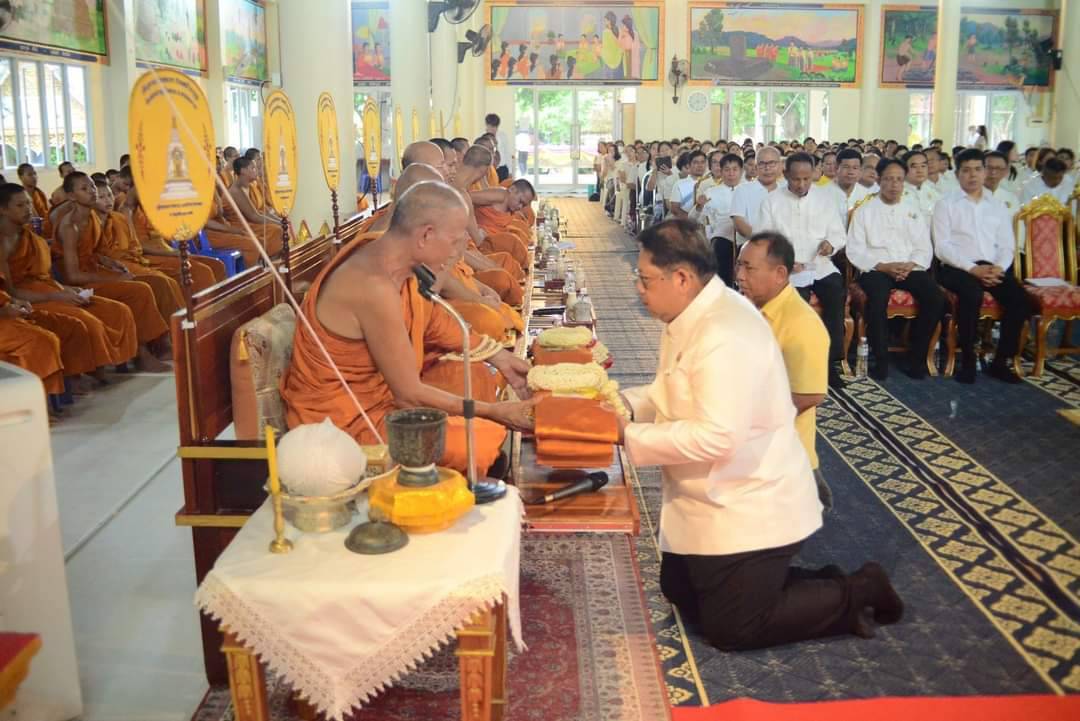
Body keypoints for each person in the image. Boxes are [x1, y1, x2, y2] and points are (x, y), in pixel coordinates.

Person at [618, 218, 902, 651]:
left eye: (644, 278)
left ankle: (858, 590)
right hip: (713, 492)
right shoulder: (690, 314)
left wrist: (627, 436)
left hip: (752, 495)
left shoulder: (725, 331)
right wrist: (625, 406)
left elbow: (717, 438)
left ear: (681, 278)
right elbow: (671, 389)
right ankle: (791, 584)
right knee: (681, 592)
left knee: (733, 628)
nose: (638, 288)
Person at [280, 180, 535, 476]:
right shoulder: (372, 285)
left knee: (481, 417)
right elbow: (409, 395)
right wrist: (494, 411)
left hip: (384, 404)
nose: (459, 251)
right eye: (455, 241)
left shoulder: (397, 265)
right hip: (344, 425)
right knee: (478, 445)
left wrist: (502, 359)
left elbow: (436, 322)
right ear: (426, 235)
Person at [736, 231, 833, 511]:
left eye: (749, 268)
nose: (740, 275)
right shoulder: (750, 308)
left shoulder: (801, 324)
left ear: (780, 274)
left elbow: (808, 396)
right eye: (739, 265)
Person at [53, 172, 171, 371]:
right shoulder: (69, 226)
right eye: (84, 189)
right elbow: (73, 276)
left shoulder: (91, 218)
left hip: (93, 270)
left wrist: (111, 264)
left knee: (140, 284)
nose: (92, 192)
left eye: (92, 186)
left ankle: (158, 344)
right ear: (71, 196)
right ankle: (141, 354)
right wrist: (115, 277)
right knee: (138, 290)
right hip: (80, 282)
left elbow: (94, 252)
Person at [934, 149, 1032, 384]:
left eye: (978, 169)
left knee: (1021, 300)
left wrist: (999, 268)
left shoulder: (997, 205)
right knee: (971, 295)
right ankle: (967, 360)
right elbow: (942, 247)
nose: (973, 175)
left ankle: (1000, 362)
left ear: (985, 172)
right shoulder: (945, 204)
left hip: (991, 266)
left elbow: (1007, 245)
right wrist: (971, 269)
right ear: (957, 174)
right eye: (966, 170)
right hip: (955, 267)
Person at [847, 158, 944, 380]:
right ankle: (881, 360)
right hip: (876, 269)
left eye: (899, 180)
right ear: (879, 180)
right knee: (877, 298)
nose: (894, 185)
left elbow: (923, 247)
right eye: (889, 179)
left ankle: (917, 359)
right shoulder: (864, 211)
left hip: (909, 267)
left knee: (935, 298)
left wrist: (910, 265)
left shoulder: (914, 210)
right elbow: (855, 249)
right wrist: (883, 266)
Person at [758, 153, 848, 388]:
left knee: (835, 292)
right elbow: (764, 240)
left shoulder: (824, 200)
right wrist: (785, 262)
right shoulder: (771, 202)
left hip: (819, 264)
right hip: (786, 269)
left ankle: (829, 364)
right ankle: (794, 365)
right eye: (796, 179)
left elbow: (838, 234)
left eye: (807, 179)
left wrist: (830, 245)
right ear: (785, 174)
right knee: (797, 305)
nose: (801, 185)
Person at [222, 156, 285, 267]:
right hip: (239, 225)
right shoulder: (236, 190)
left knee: (277, 228)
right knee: (276, 230)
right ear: (243, 171)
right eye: (253, 168)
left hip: (250, 222)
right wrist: (279, 223)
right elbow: (253, 216)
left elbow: (260, 211)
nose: (256, 171)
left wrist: (281, 221)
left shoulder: (249, 186)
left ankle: (272, 264)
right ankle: (268, 266)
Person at [690, 153, 742, 286]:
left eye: (734, 169)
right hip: (721, 239)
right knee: (720, 245)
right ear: (721, 171)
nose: (731, 173)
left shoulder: (748, 190)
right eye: (727, 169)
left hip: (745, 237)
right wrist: (699, 206)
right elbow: (692, 219)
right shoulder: (711, 192)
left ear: (741, 171)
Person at [730, 146, 783, 247]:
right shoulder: (742, 190)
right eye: (762, 164)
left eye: (772, 163)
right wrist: (762, 242)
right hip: (751, 245)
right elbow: (739, 222)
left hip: (782, 247)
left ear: (780, 165)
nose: (767, 168)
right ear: (756, 167)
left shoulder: (786, 190)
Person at [828, 148, 870, 227]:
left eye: (855, 168)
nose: (850, 172)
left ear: (860, 170)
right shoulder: (823, 194)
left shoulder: (866, 196)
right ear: (836, 168)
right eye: (846, 167)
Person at [17, 164, 52, 238]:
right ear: (21, 177)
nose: (34, 177)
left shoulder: (39, 193)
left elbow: (49, 211)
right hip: (30, 232)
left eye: (35, 173)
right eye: (29, 174)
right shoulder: (20, 197)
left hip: (46, 228)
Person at [484, 113, 511, 179]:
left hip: (502, 168)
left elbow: (507, 153)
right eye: (491, 126)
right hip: (488, 169)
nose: (493, 129)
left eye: (495, 127)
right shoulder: (482, 136)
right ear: (487, 125)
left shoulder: (503, 135)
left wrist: (510, 171)